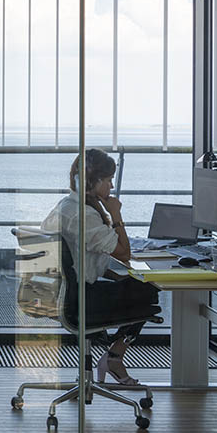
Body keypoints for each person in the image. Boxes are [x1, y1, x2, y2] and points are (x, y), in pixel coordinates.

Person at [40, 148, 161, 385]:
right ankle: (114, 356)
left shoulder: (65, 206)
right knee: (148, 290)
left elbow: (75, 257)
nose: (111, 186)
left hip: (57, 293)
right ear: (92, 182)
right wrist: (116, 215)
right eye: (107, 180)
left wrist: (110, 272)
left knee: (131, 285)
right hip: (78, 299)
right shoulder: (85, 215)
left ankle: (112, 356)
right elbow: (124, 253)